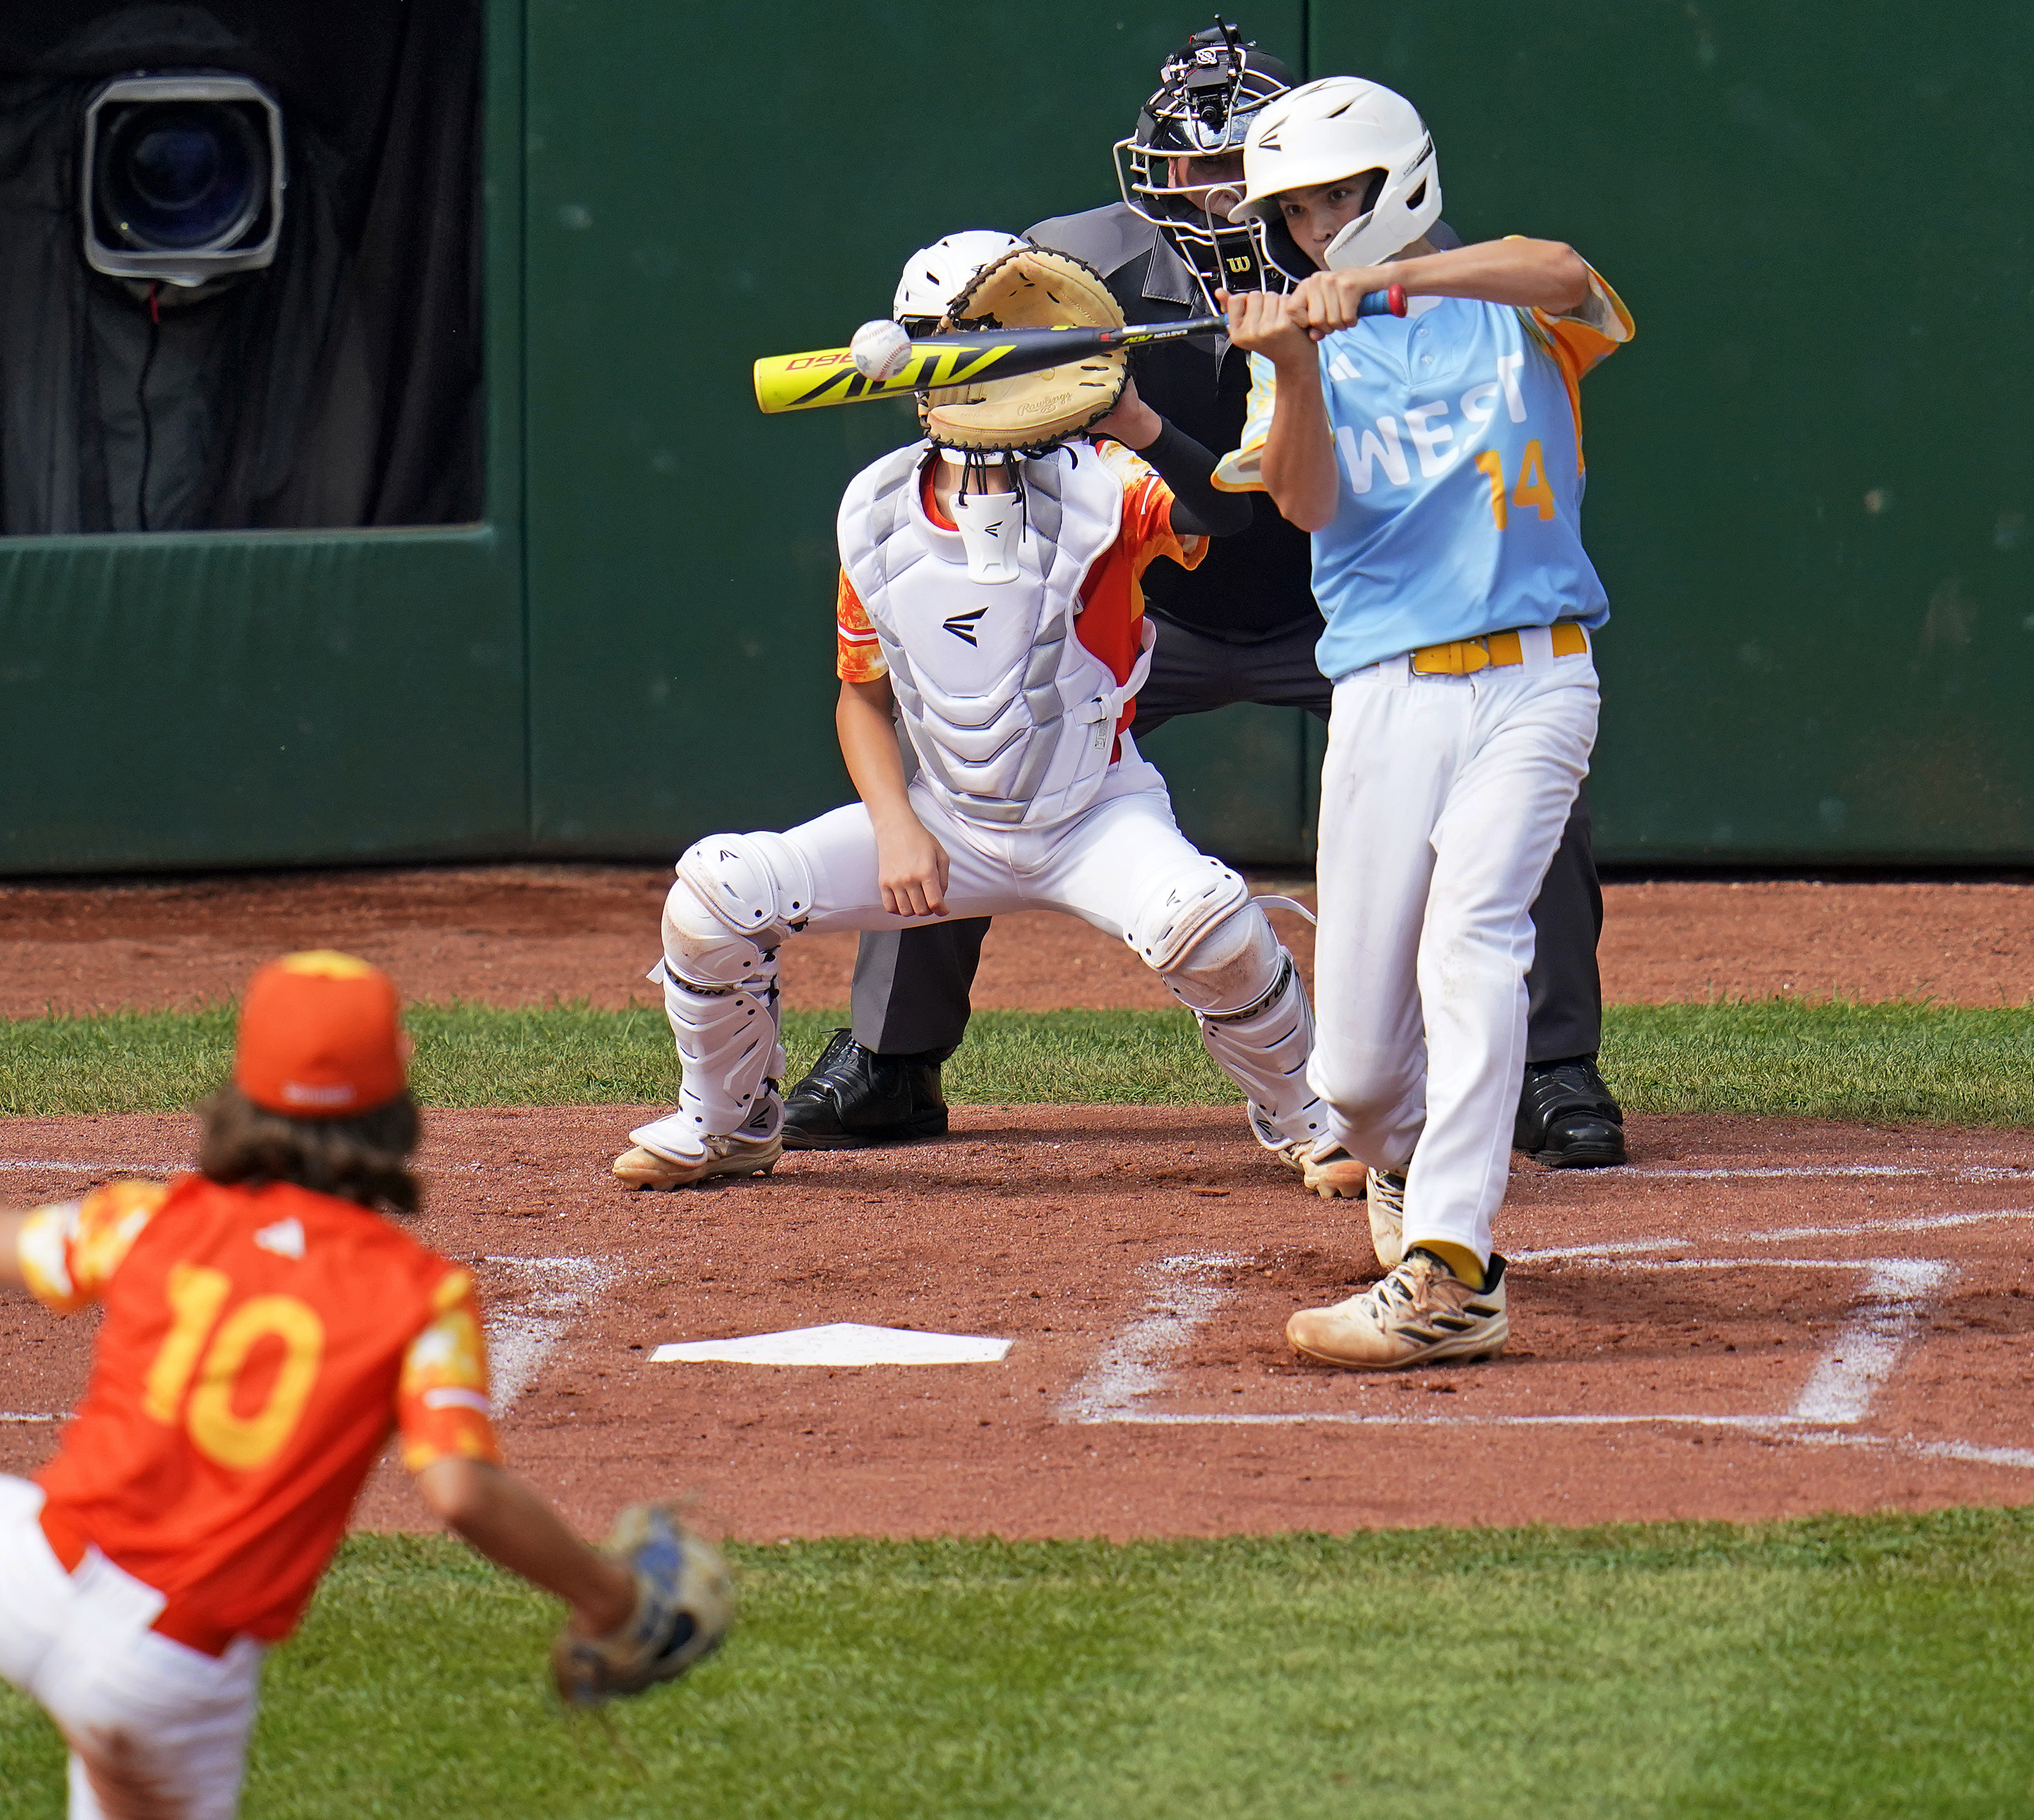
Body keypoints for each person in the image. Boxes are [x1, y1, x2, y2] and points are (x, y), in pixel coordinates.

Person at [781, 22, 1627, 1177]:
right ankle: (893, 1055)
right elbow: (1001, 419)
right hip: (1159, 599)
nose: (1235, 199)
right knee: (981, 752)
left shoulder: (1386, 263)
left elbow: (1545, 281)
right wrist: (1043, 383)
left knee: (1527, 780)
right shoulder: (1074, 272)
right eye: (1198, 171)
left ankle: (1552, 1066)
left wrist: (1352, 296)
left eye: (1254, 177)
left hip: (1348, 610)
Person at [0, 952, 727, 1818]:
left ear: (243, 1093)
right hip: (178, 1688)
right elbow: (456, 1490)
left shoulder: (157, 1219)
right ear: (396, 1106)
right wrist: (610, 1596)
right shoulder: (420, 1295)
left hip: (37, 1580)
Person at [609, 241, 1323, 1192]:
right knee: (711, 897)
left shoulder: (1103, 480)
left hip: (1094, 814)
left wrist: (1139, 420)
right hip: (946, 822)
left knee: (1212, 926)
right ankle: (729, 1120)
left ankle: (1306, 1116)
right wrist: (898, 825)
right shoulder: (874, 508)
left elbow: (1224, 517)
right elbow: (859, 699)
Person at [1213, 77, 1636, 1369]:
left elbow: (1558, 268)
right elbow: (1301, 506)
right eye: (1294, 212)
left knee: (1475, 942)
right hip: (1387, 693)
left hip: (1534, 675)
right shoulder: (1307, 344)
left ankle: (1455, 1271)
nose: (1314, 229)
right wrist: (1291, 361)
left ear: (1399, 182)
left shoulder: (1515, 311)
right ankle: (1400, 1170)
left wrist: (1394, 288)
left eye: (1336, 197)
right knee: (1351, 1079)